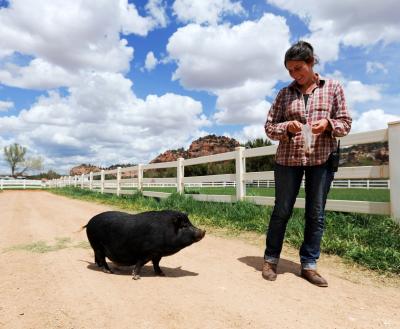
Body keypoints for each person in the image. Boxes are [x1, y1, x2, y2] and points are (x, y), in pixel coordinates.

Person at [262, 41, 352, 287]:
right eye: (290, 70)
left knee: (316, 214)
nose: (295, 74)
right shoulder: (284, 94)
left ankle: (309, 265)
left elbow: (345, 123)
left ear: (311, 62)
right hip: (287, 160)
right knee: (281, 211)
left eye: (299, 68)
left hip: (320, 159)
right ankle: (270, 260)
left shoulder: (333, 88)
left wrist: (328, 125)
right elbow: (269, 127)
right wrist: (286, 128)